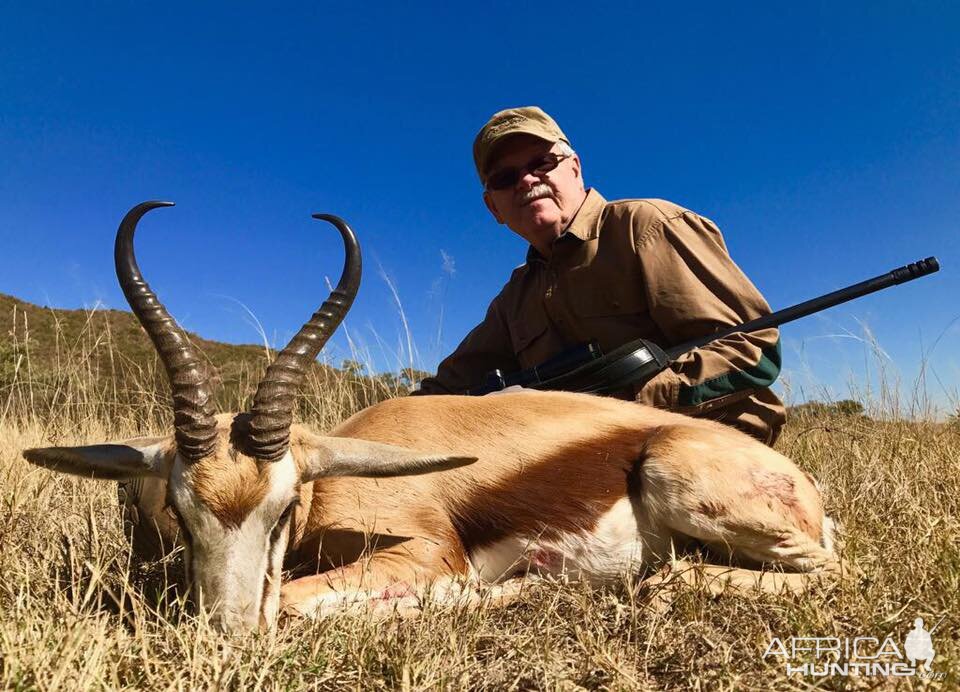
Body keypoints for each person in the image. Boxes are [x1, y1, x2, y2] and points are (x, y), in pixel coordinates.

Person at [413, 106, 786, 445]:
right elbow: (449, 386)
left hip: (709, 443)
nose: (526, 180)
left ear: (574, 168)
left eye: (541, 162)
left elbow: (754, 350)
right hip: (591, 459)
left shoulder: (646, 226)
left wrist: (616, 409)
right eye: (505, 178)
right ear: (493, 207)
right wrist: (387, 422)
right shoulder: (515, 298)